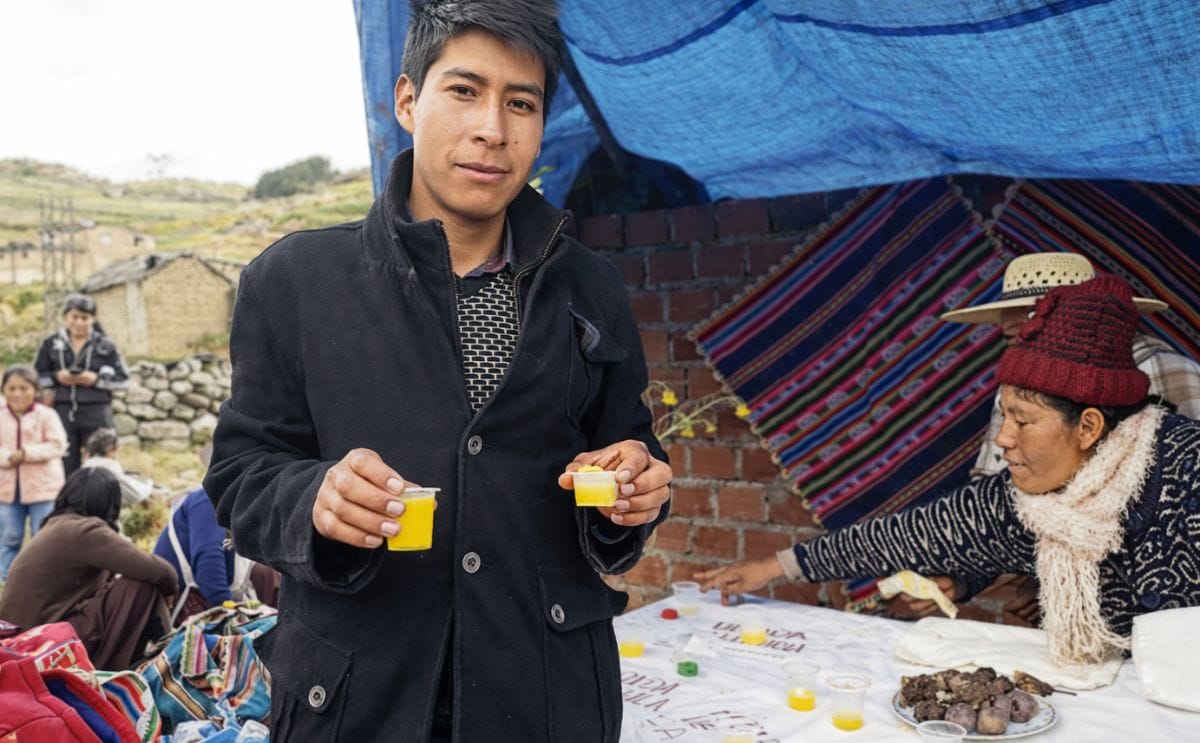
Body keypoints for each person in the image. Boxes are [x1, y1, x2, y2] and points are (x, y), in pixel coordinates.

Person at [203, 2, 672, 741]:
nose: (492, 129)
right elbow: (241, 474)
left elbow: (629, 447)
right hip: (358, 701)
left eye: (521, 103)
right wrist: (315, 499)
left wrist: (636, 486)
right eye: (464, 91)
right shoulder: (295, 281)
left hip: (547, 697)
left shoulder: (591, 288)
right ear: (407, 101)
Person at [699, 275, 1200, 668]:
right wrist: (773, 568)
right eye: (1004, 417)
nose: (1003, 439)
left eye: (1023, 421)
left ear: (1088, 427)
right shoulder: (1025, 500)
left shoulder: (1185, 469)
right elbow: (908, 534)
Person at [941, 251, 1200, 478]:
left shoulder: (1166, 369)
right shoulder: (1018, 384)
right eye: (1012, 337)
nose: (1021, 345)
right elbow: (991, 474)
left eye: (1028, 329)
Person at [0, 467, 177, 670]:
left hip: (24, 642)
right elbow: (160, 571)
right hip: (41, 646)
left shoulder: (59, 525)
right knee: (139, 588)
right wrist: (170, 593)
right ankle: (161, 659)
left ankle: (161, 656)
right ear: (109, 503)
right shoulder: (85, 531)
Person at [153, 444, 280, 626]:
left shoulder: (231, 502)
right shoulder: (207, 501)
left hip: (207, 593)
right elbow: (208, 558)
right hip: (187, 601)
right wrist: (228, 611)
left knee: (267, 572)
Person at [34, 293, 129, 474]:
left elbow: (124, 380)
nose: (79, 322)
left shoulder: (106, 345)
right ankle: (68, 493)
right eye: (74, 317)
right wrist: (56, 377)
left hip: (97, 411)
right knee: (63, 463)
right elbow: (36, 378)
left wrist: (96, 380)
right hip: (62, 411)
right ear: (65, 317)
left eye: (85, 318)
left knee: (102, 464)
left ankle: (100, 492)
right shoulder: (51, 344)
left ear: (93, 319)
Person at [0, 365, 68, 581]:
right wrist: (7, 458)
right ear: (3, 391)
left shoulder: (47, 415)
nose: (17, 394)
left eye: (24, 388)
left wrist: (27, 453)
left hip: (43, 489)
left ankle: (43, 582)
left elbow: (58, 445)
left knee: (43, 538)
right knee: (10, 536)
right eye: (12, 388)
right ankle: (6, 580)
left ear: (35, 390)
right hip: (7, 490)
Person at [79, 427, 153, 506]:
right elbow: (136, 494)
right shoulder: (110, 466)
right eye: (117, 448)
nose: (120, 451)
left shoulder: (85, 466)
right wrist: (149, 484)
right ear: (109, 449)